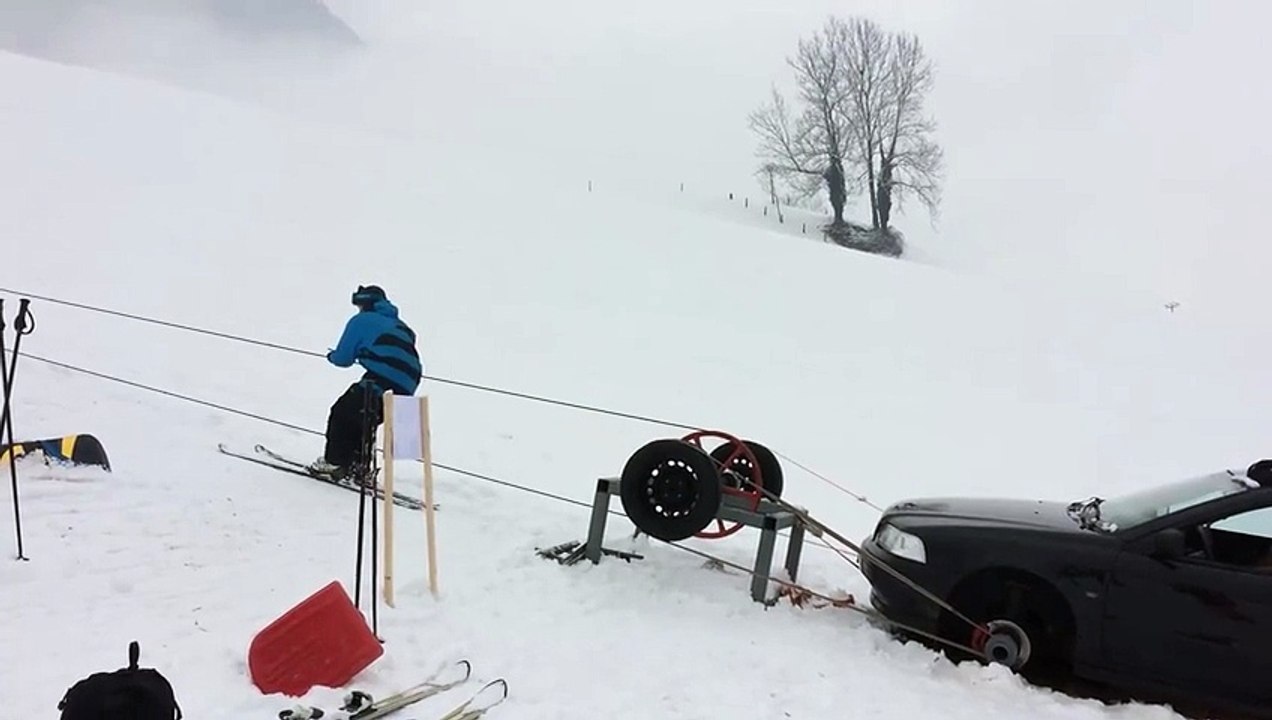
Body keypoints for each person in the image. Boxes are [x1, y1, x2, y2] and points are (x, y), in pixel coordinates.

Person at [308, 285, 422, 480]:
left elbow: (344, 358)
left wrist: (331, 356)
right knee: (364, 420)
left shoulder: (362, 321)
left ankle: (334, 463)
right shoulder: (402, 326)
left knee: (342, 413)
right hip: (408, 384)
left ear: (364, 303)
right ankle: (360, 467)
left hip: (381, 379)